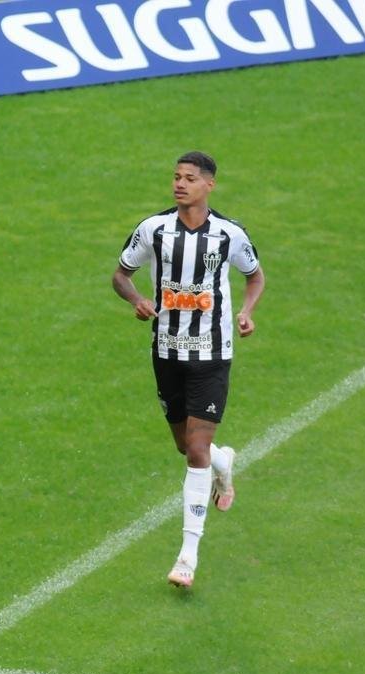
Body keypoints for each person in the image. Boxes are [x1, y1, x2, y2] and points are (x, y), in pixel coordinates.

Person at [112, 151, 265, 589]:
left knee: (195, 448)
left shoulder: (229, 235)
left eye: (190, 178)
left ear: (209, 185)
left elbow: (255, 276)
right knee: (188, 447)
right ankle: (224, 460)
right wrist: (136, 299)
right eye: (176, 177)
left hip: (213, 353)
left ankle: (187, 556)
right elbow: (120, 275)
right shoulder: (153, 229)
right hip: (166, 351)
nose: (180, 184)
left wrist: (248, 312)